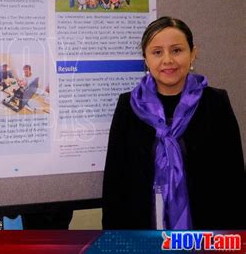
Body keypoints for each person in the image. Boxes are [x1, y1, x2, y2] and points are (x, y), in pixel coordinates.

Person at [102, 16, 244, 230]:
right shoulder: (128, 105)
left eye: (177, 50)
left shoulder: (215, 103)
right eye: (157, 52)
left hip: (207, 233)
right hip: (142, 234)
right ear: (146, 59)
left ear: (193, 53)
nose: (167, 60)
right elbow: (115, 181)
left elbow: (233, 179)